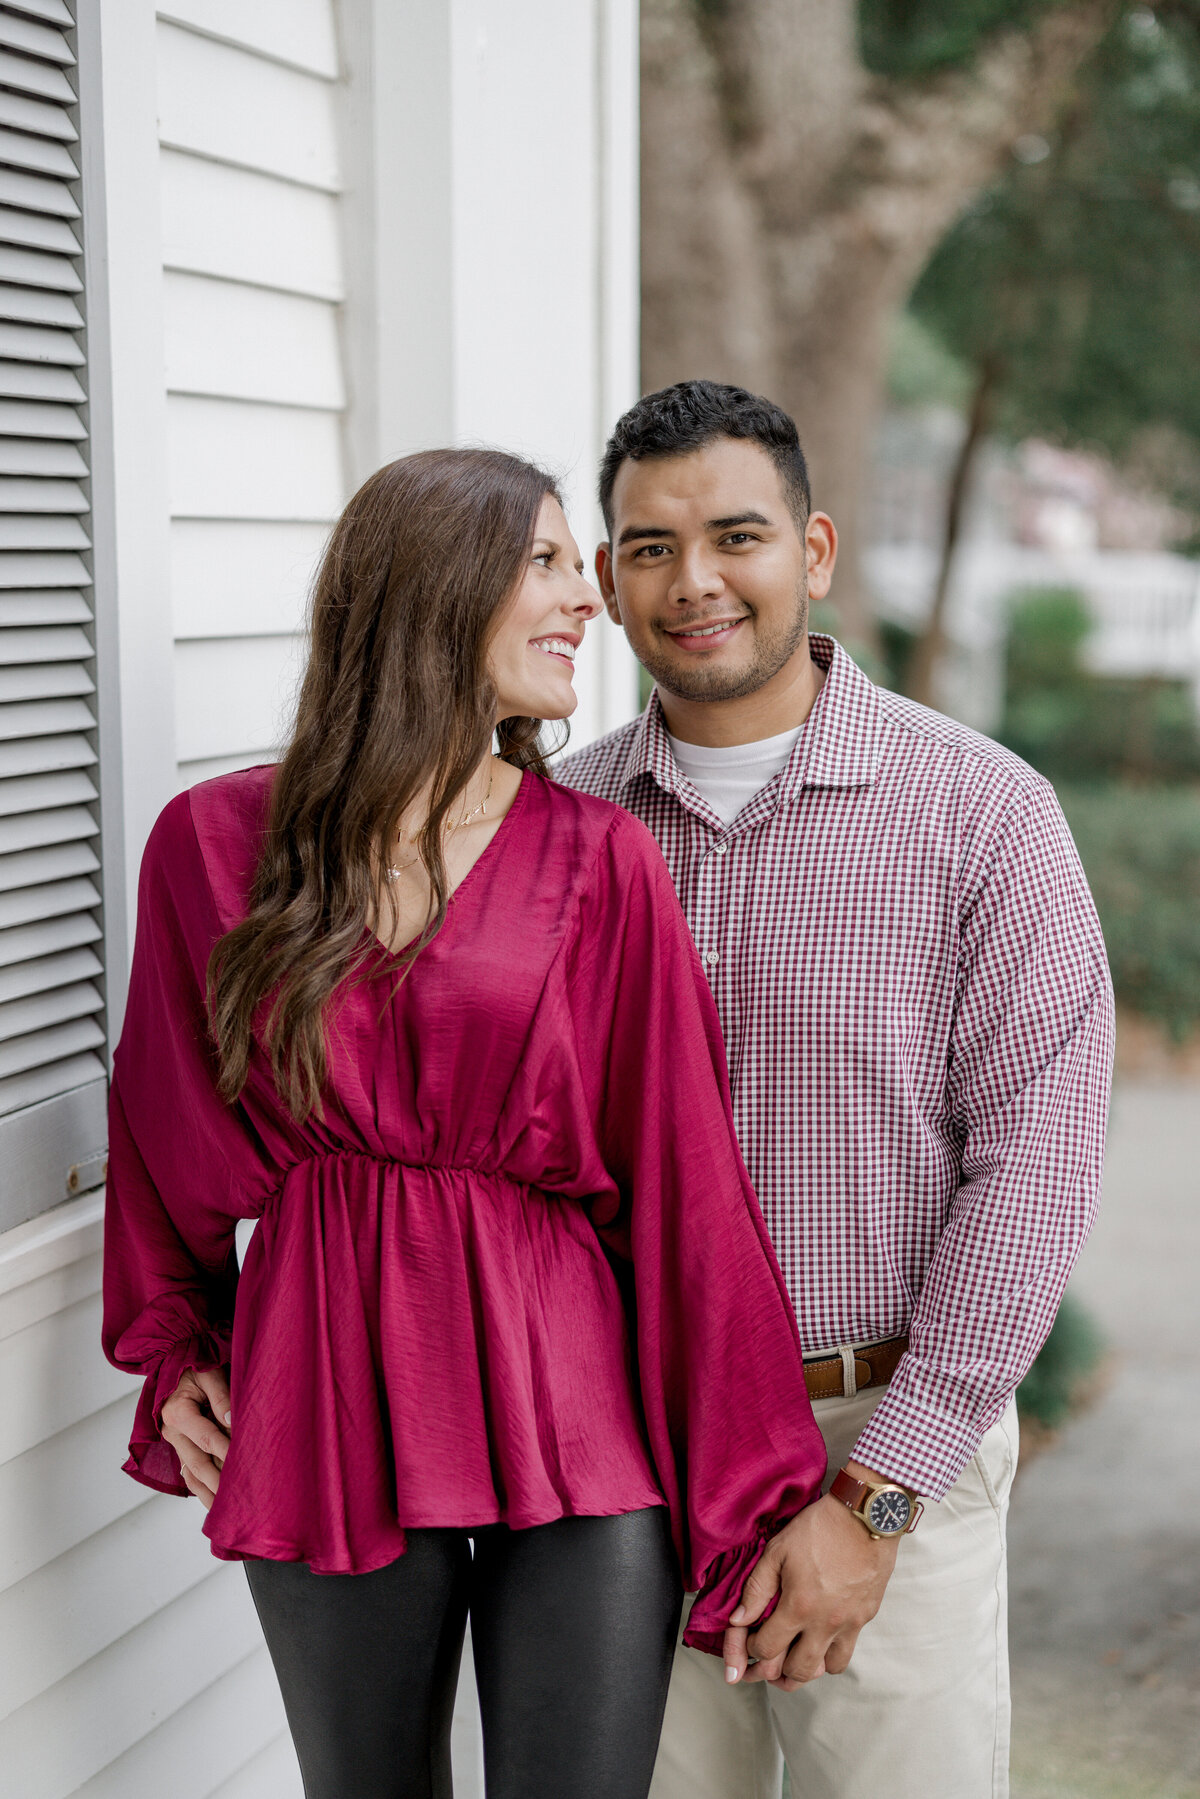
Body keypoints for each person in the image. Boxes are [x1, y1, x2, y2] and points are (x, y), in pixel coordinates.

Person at [101, 448, 827, 1799]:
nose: (589, 602)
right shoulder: (209, 846)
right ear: (436, 590)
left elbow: (682, 1181)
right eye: (549, 563)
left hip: (567, 1393)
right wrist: (174, 1352)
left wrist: (755, 1482)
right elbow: (160, 1141)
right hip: (324, 1383)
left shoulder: (599, 856)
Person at [559, 380, 1114, 1799]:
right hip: (627, 1455)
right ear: (611, 579)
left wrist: (877, 1499)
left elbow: (1039, 1168)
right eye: (647, 548)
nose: (695, 584)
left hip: (880, 1434)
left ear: (812, 551)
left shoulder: (982, 813)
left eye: (734, 536)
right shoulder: (554, 832)